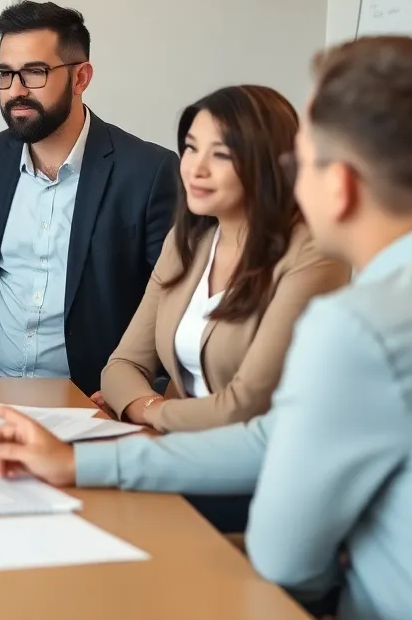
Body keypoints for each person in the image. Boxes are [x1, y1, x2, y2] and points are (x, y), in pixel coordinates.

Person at [0, 36, 412, 620]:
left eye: (302, 159)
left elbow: (284, 555)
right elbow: (269, 440)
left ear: (341, 184)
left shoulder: (362, 324)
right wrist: (79, 463)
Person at [0, 1, 178, 395]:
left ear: (81, 77)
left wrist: (143, 394)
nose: (15, 91)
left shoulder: (148, 172)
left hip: (88, 397)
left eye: (34, 73)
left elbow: (172, 301)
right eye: (5, 75)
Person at [97, 85, 349, 432]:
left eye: (221, 155)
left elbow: (244, 408)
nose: (196, 169)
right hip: (176, 449)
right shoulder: (189, 240)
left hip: (252, 467)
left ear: (267, 163)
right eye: (191, 148)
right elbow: (122, 365)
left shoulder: (315, 255)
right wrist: (147, 404)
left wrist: (149, 409)